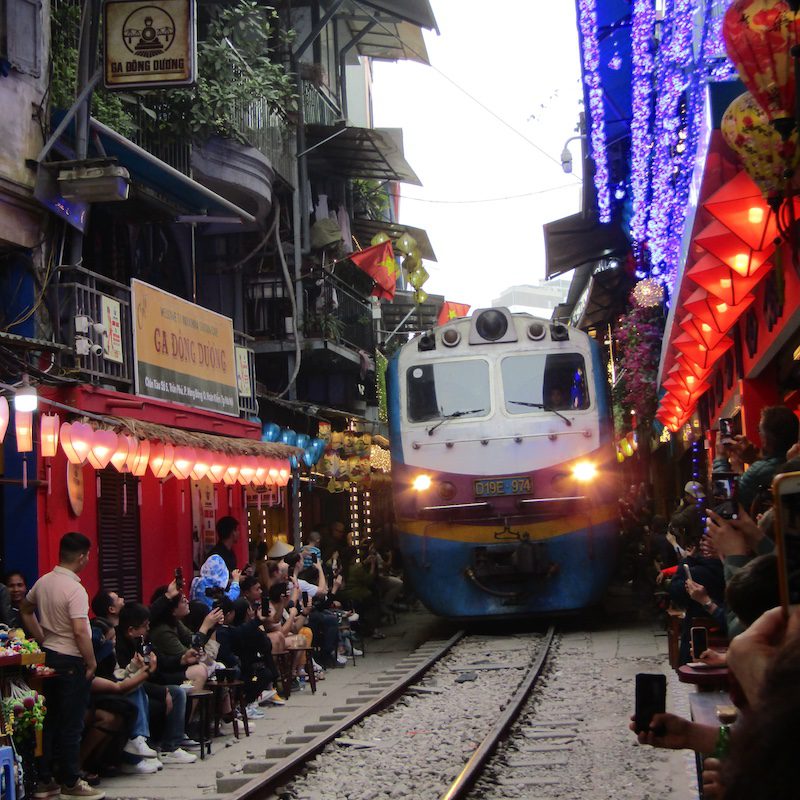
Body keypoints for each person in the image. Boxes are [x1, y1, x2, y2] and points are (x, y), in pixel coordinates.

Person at [21, 532, 105, 800]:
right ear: (81, 557)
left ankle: (45, 780)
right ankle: (71, 781)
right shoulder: (75, 589)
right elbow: (81, 631)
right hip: (70, 660)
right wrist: (91, 662)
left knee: (50, 722)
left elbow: (24, 609)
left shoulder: (43, 582)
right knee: (71, 724)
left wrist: (42, 637)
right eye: (88, 555)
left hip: (48, 657)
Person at [713, 405, 799, 515]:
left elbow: (725, 505)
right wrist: (754, 459)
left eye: (759, 429)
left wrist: (720, 457)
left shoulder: (759, 471)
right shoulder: (793, 460)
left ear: (767, 439)